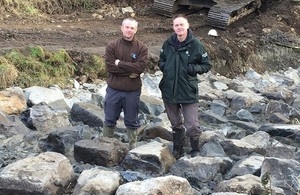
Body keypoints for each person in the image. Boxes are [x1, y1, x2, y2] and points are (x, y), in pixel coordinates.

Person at [158, 14, 212, 159]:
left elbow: (207, 64)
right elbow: (161, 60)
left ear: (187, 26)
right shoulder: (168, 43)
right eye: (176, 25)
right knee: (175, 123)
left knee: (192, 125)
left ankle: (195, 149)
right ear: (173, 27)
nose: (179, 27)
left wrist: (193, 69)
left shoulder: (196, 45)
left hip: (188, 90)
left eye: (182, 24)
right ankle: (178, 148)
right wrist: (166, 68)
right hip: (169, 89)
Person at [103, 17, 148, 149]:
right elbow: (110, 67)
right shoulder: (112, 46)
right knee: (109, 119)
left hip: (132, 91)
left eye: (132, 28)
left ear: (136, 30)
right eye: (127, 27)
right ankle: (105, 146)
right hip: (114, 89)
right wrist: (130, 72)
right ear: (122, 28)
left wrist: (120, 64)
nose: (129, 30)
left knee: (131, 121)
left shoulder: (141, 48)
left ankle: (132, 147)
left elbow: (140, 68)